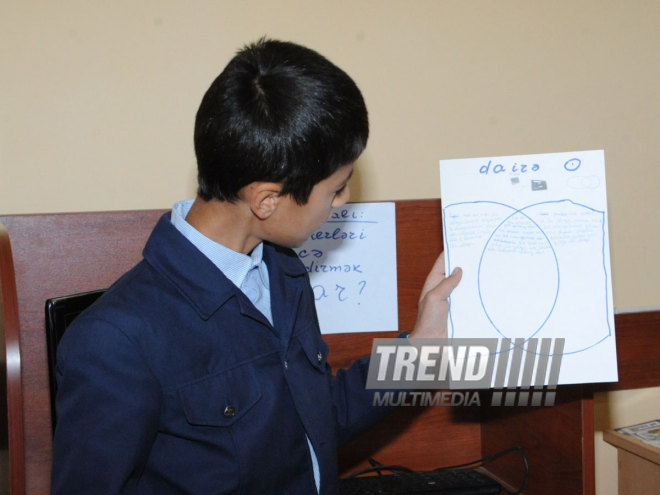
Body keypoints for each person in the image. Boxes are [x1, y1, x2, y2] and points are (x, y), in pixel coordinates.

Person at [50, 38, 461, 495]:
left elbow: (320, 420)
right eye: (337, 189)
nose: (343, 202)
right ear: (267, 200)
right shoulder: (113, 342)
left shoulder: (282, 273)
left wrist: (420, 350)